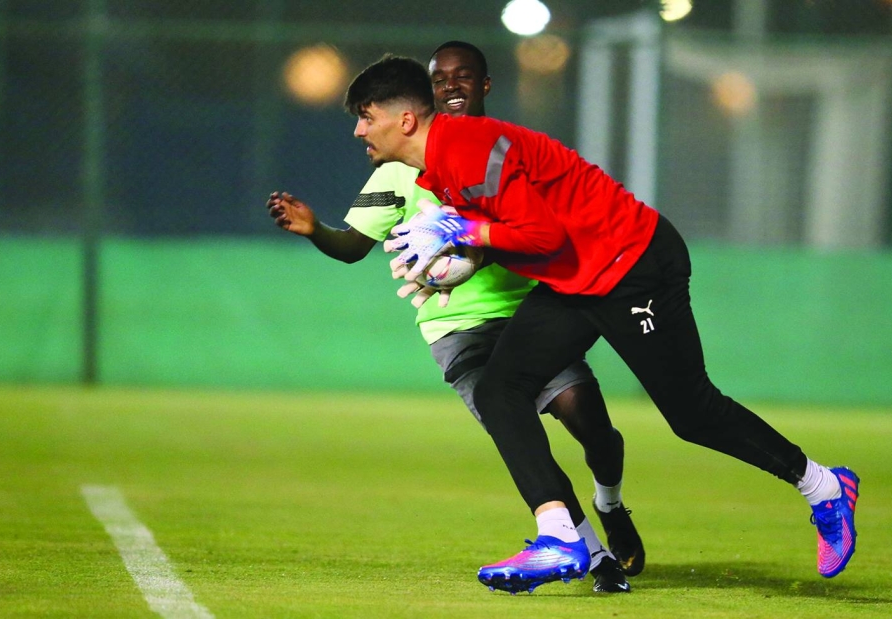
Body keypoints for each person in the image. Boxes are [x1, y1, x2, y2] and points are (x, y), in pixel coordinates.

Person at [343, 54, 861, 595]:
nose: (359, 128)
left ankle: (825, 487)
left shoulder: (464, 149)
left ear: (404, 120)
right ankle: (559, 536)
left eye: (366, 115)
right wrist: (460, 241)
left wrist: (467, 232)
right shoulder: (442, 161)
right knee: (500, 390)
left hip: (632, 264)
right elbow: (519, 228)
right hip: (577, 278)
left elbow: (541, 235)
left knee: (692, 413)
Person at [267, 41, 642, 593]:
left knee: (591, 423)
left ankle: (609, 503)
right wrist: (315, 228)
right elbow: (352, 247)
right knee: (519, 436)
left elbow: (541, 230)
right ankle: (589, 553)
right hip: (453, 331)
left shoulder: (491, 154)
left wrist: (478, 242)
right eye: (443, 79)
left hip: (523, 314)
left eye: (464, 77)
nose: (453, 87)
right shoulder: (395, 173)